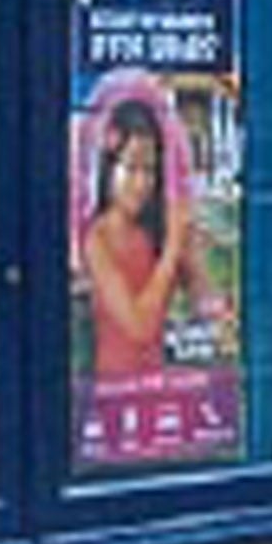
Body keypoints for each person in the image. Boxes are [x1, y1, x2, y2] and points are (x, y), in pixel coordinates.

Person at [85, 98, 192, 379]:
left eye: (151, 171)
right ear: (109, 168)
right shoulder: (97, 239)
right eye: (131, 169)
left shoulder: (151, 230)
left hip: (158, 382)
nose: (142, 183)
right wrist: (172, 248)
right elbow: (139, 328)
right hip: (116, 388)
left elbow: (202, 299)